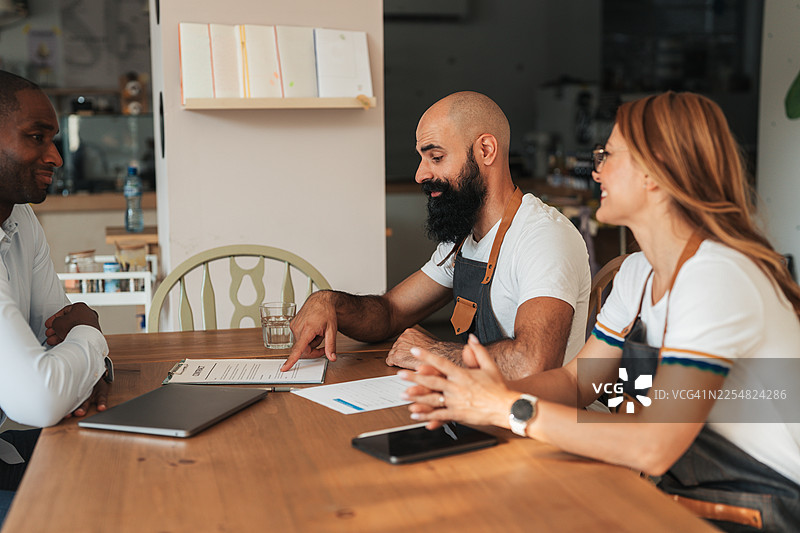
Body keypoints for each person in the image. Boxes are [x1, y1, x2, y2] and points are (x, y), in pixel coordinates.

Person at [401, 91, 800, 532]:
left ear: (655, 171)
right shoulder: (638, 272)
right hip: (693, 493)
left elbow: (654, 447)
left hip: (766, 507)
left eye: (608, 155)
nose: (595, 170)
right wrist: (480, 393)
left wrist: (507, 407)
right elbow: (577, 382)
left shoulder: (715, 278)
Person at [284, 91, 590, 379]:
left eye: (437, 157)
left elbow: (532, 364)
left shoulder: (542, 238)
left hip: (537, 427)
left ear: (486, 150)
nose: (420, 174)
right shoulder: (464, 239)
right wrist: (328, 302)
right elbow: (390, 312)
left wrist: (435, 353)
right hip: (480, 409)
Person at [0, 70, 112, 518]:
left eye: (54, 138)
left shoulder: (21, 220)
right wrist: (91, 335)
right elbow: (42, 398)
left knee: (122, 465)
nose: (57, 157)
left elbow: (56, 332)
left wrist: (83, 360)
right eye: (36, 137)